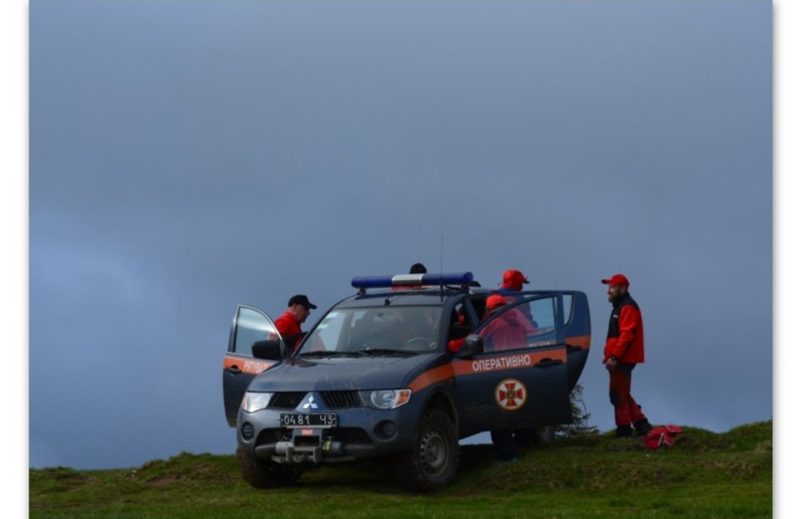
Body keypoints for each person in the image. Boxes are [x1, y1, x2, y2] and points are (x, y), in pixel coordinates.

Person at [601, 273, 653, 437]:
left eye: (612, 287)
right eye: (609, 287)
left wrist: (614, 357)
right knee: (622, 393)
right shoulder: (620, 306)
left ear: (623, 288)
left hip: (622, 359)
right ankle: (642, 425)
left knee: (616, 394)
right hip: (620, 358)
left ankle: (624, 430)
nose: (609, 290)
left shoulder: (627, 306)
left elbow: (627, 334)